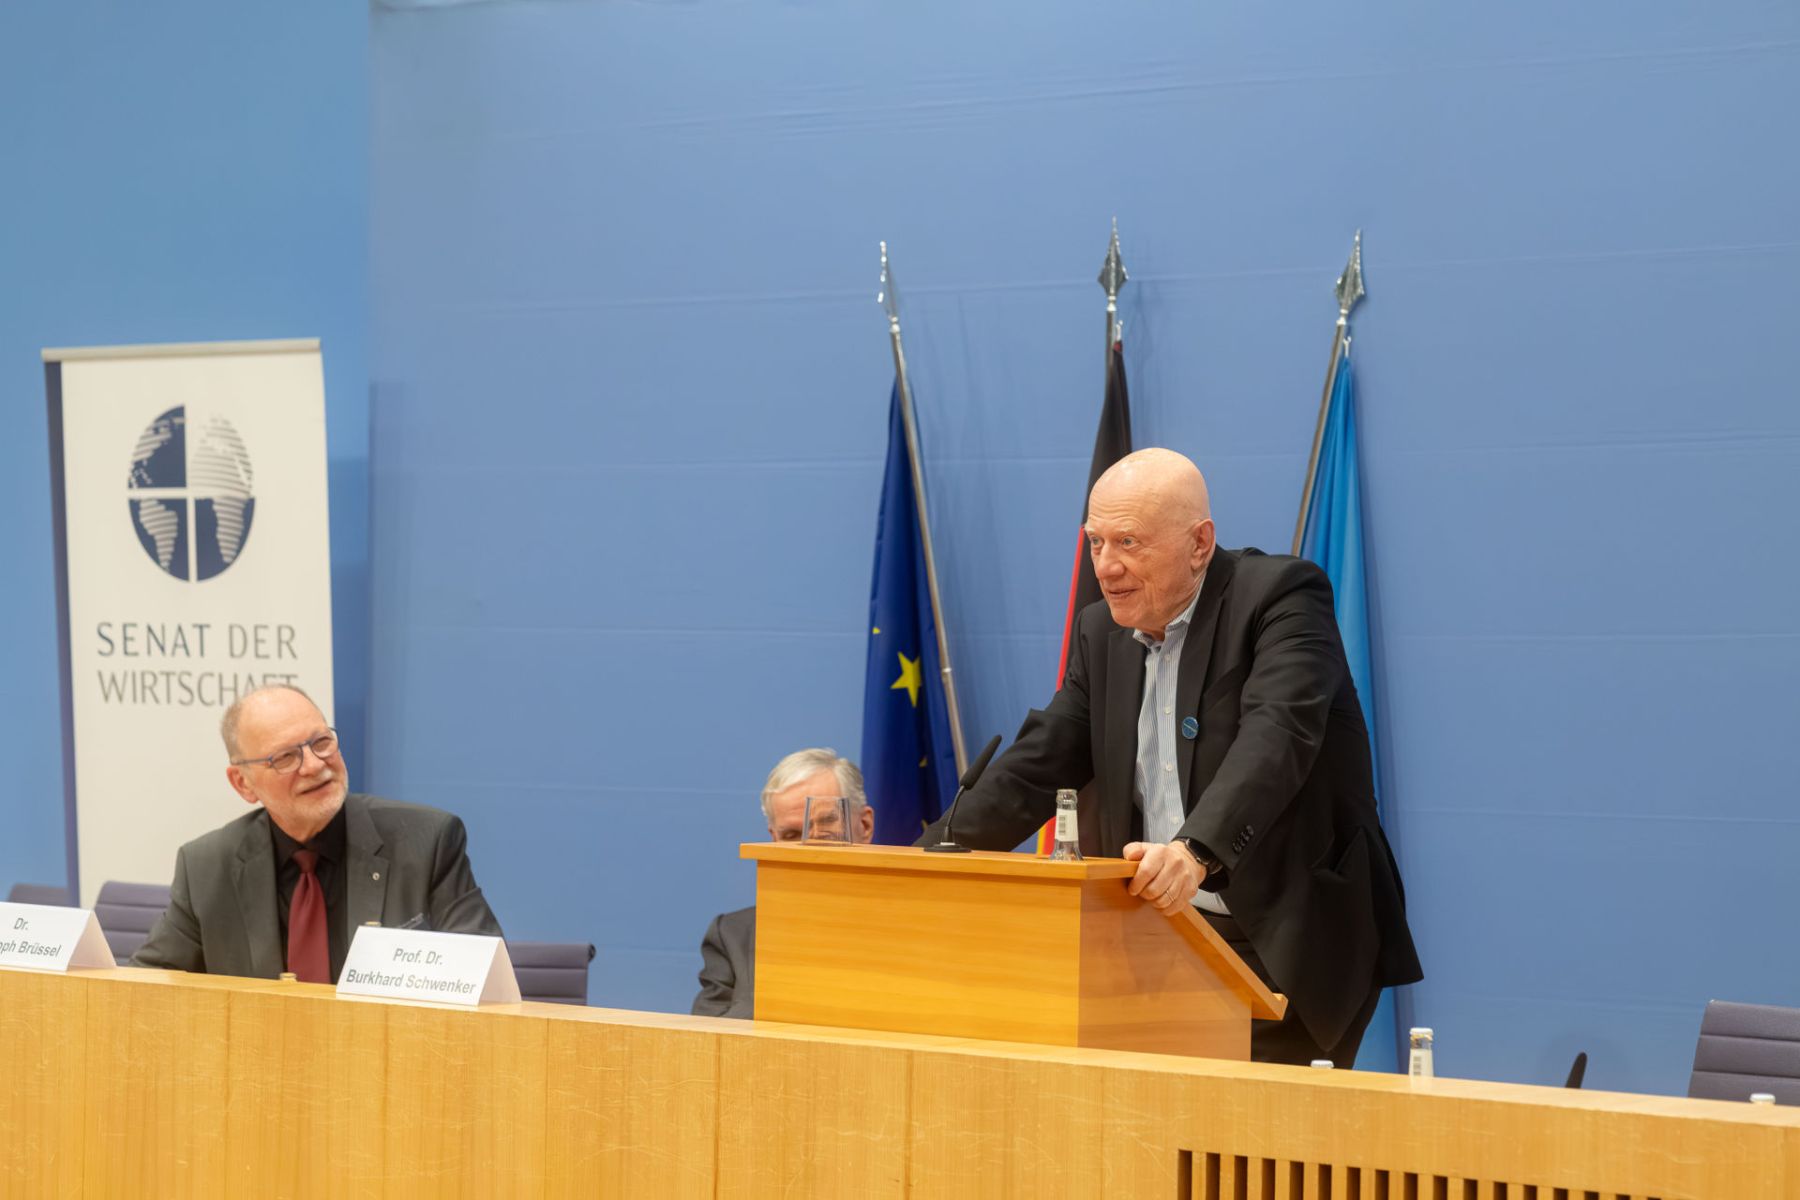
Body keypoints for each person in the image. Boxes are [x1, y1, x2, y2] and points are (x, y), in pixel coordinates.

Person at [919, 448, 1421, 1065]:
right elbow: (1037, 765)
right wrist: (922, 862)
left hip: (1285, 933)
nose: (1106, 566)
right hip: (1162, 939)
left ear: (1199, 543)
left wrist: (1195, 853)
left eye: (1128, 542)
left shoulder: (1280, 598)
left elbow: (1277, 737)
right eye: (1096, 542)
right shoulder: (1101, 631)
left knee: (1252, 1123)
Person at [133, 684, 502, 981]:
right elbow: (147, 986)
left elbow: (483, 978)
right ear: (243, 783)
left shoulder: (426, 842)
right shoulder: (206, 867)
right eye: (285, 757)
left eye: (321, 742)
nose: (313, 765)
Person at [692, 748, 872, 1018]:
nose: (810, 846)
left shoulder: (913, 930)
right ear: (774, 840)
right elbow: (705, 1038)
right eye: (791, 834)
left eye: (826, 826)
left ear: (865, 825)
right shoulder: (733, 935)